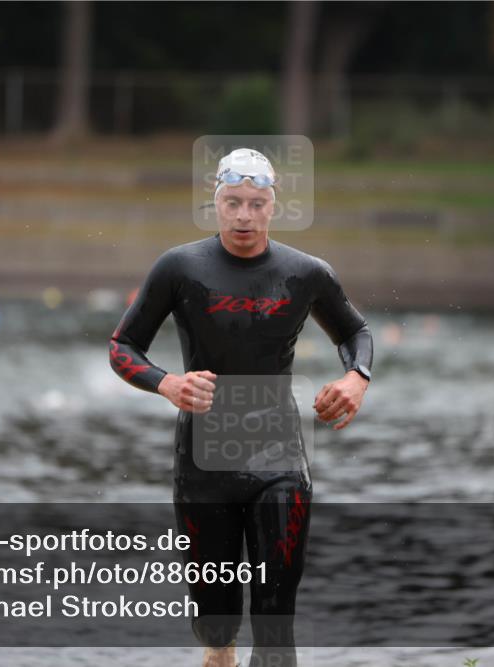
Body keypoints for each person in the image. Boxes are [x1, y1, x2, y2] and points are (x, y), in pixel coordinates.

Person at [109, 148, 373, 667]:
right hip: (203, 463)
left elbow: (356, 332)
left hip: (279, 459)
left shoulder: (306, 273)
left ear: (274, 206)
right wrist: (167, 385)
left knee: (276, 623)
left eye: (256, 203)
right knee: (217, 629)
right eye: (233, 203)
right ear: (216, 203)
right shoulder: (180, 268)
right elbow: (122, 347)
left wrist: (356, 378)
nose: (244, 216)